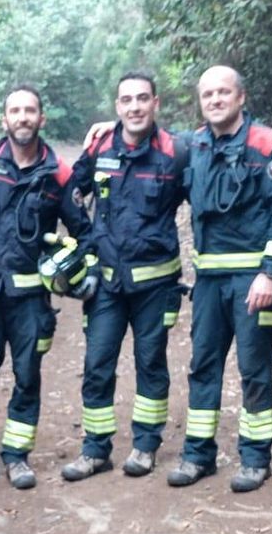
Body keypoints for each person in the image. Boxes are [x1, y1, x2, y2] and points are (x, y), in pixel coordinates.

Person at [0, 84, 93, 490]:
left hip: (30, 300)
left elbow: (84, 231)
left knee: (27, 377)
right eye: (16, 110)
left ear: (41, 119)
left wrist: (75, 272)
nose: (23, 117)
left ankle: (16, 457)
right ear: (4, 119)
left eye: (30, 111)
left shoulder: (57, 173)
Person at [171, 65, 272, 491]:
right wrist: (109, 127)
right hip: (209, 280)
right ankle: (198, 456)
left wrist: (270, 274)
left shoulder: (268, 145)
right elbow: (147, 143)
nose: (215, 100)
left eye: (223, 93)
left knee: (255, 369)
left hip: (253, 280)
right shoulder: (192, 145)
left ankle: (254, 458)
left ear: (241, 97)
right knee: (203, 367)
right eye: (207, 94)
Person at [61, 72, 189, 482]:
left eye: (142, 99)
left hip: (155, 284)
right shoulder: (100, 145)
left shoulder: (176, 151)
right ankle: (95, 450)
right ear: (117, 106)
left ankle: (145, 446)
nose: (134, 107)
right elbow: (68, 192)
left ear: (156, 103)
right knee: (97, 363)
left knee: (150, 362)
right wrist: (84, 240)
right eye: (126, 100)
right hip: (107, 286)